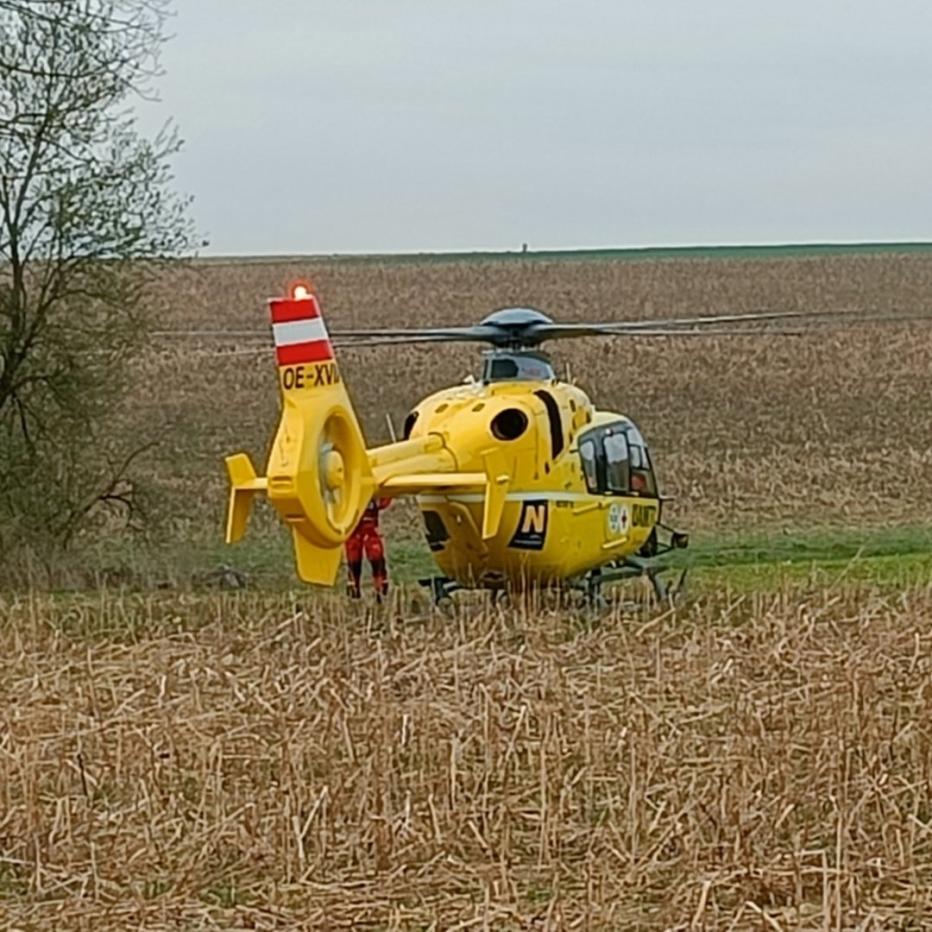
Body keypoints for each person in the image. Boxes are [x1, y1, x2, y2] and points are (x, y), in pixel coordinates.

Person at [345, 497, 391, 599]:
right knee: (355, 548)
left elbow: (384, 501)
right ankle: (354, 586)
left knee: (373, 549)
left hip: (363, 513)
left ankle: (380, 586)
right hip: (354, 514)